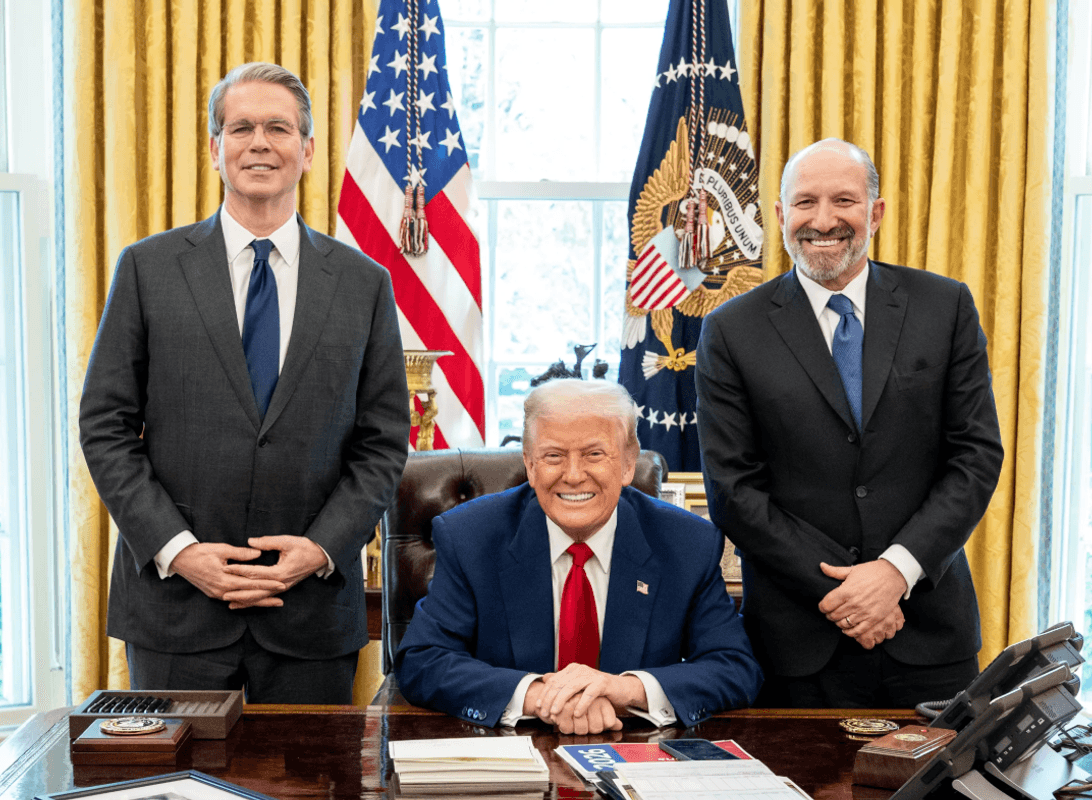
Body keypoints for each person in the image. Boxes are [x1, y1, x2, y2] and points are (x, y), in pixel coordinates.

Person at [79, 62, 410, 703]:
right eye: (241, 128)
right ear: (214, 148)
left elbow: (383, 442)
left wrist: (318, 549)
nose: (260, 143)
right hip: (175, 614)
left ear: (307, 150)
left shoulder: (364, 283)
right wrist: (180, 551)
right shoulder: (148, 269)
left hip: (309, 617)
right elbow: (105, 428)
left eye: (279, 128)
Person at [695, 138, 1003, 708]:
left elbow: (976, 457)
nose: (824, 220)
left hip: (929, 632)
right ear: (781, 216)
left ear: (875, 212)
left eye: (844, 200)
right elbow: (734, 491)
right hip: (797, 643)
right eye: (805, 203)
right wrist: (846, 592)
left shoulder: (945, 307)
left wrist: (894, 573)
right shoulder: (731, 331)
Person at [395, 379, 762, 733]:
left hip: (638, 760)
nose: (573, 476)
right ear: (531, 464)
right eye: (553, 456)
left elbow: (734, 667)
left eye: (594, 454)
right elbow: (423, 659)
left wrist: (624, 689)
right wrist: (539, 697)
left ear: (629, 463)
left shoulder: (686, 543)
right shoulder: (470, 536)